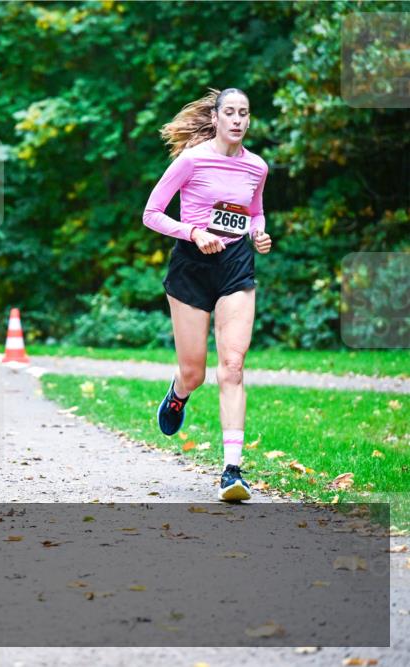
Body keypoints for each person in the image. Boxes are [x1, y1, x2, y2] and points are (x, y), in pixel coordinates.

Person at [142, 88, 273, 502]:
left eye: (243, 113)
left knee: (232, 366)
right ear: (215, 118)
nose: (237, 120)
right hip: (192, 267)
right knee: (195, 371)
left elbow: (255, 210)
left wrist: (258, 232)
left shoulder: (257, 167)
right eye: (229, 112)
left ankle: (232, 471)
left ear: (249, 120)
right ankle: (179, 393)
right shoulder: (192, 160)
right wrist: (194, 232)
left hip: (235, 265)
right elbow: (152, 214)